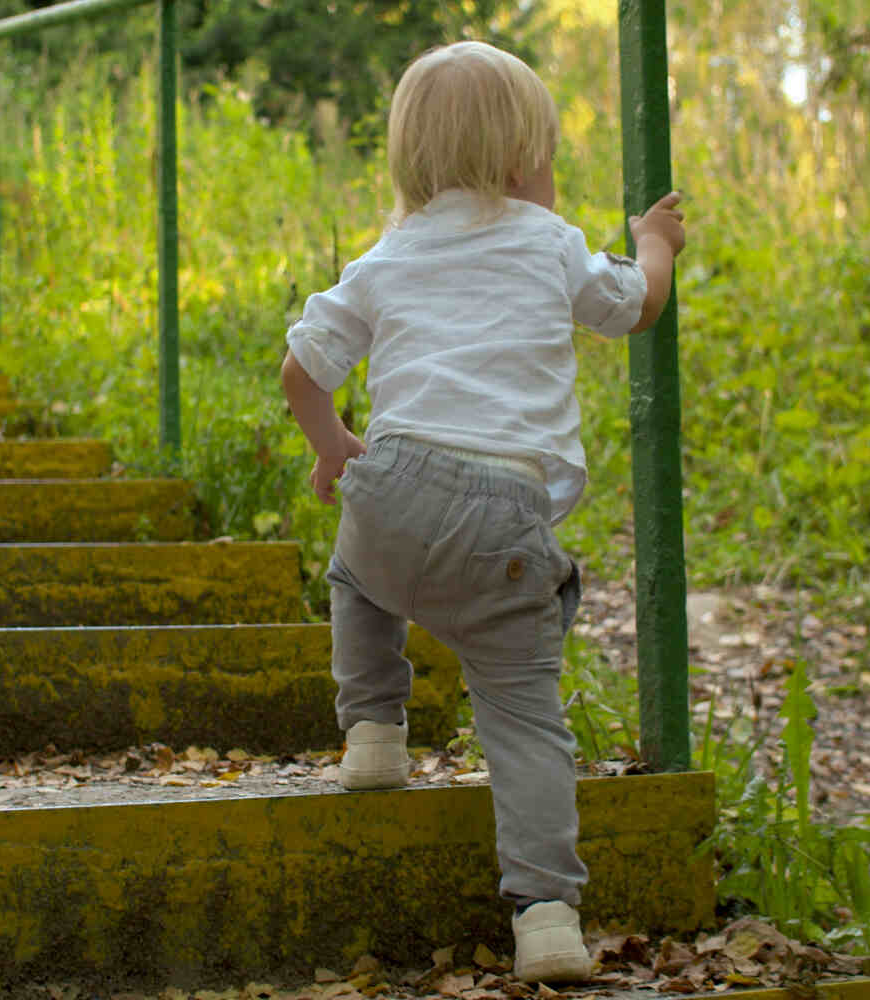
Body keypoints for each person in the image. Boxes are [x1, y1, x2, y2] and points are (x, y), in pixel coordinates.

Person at [279, 40, 686, 982]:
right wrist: (654, 242)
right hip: (505, 515)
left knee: (354, 573)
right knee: (523, 718)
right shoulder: (549, 241)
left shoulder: (387, 257)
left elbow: (303, 369)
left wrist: (334, 447)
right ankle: (546, 912)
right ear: (516, 162)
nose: (549, 176)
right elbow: (635, 307)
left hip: (394, 485)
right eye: (546, 156)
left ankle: (374, 733)